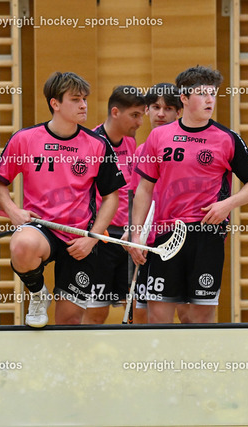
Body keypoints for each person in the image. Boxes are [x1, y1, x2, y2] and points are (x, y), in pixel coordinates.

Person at [129, 65, 248, 324]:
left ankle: (197, 365)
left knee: (199, 315)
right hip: (165, 234)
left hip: (207, 235)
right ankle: (162, 365)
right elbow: (144, 189)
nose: (209, 100)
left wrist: (228, 204)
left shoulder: (227, 138)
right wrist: (137, 233)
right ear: (184, 98)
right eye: (202, 94)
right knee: (158, 313)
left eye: (212, 94)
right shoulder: (158, 137)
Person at [0, 71, 126, 327]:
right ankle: (37, 293)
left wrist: (92, 238)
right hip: (42, 229)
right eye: (76, 99)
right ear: (55, 103)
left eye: (85, 99)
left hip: (80, 236)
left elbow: (111, 198)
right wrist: (12, 211)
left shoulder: (97, 145)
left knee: (70, 320)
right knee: (22, 245)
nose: (83, 105)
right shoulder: (25, 139)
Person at [82, 85, 145, 324]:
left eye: (141, 115)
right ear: (116, 112)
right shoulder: (90, 144)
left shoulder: (131, 143)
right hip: (102, 239)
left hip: (127, 239)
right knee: (96, 310)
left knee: (134, 310)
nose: (140, 122)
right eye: (135, 115)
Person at [130, 82, 183, 324]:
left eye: (168, 108)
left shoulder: (186, 147)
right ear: (146, 111)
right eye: (155, 107)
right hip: (146, 245)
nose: (161, 113)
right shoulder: (141, 150)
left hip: (177, 241)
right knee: (142, 315)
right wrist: (134, 235)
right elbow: (137, 195)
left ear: (179, 112)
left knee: (186, 312)